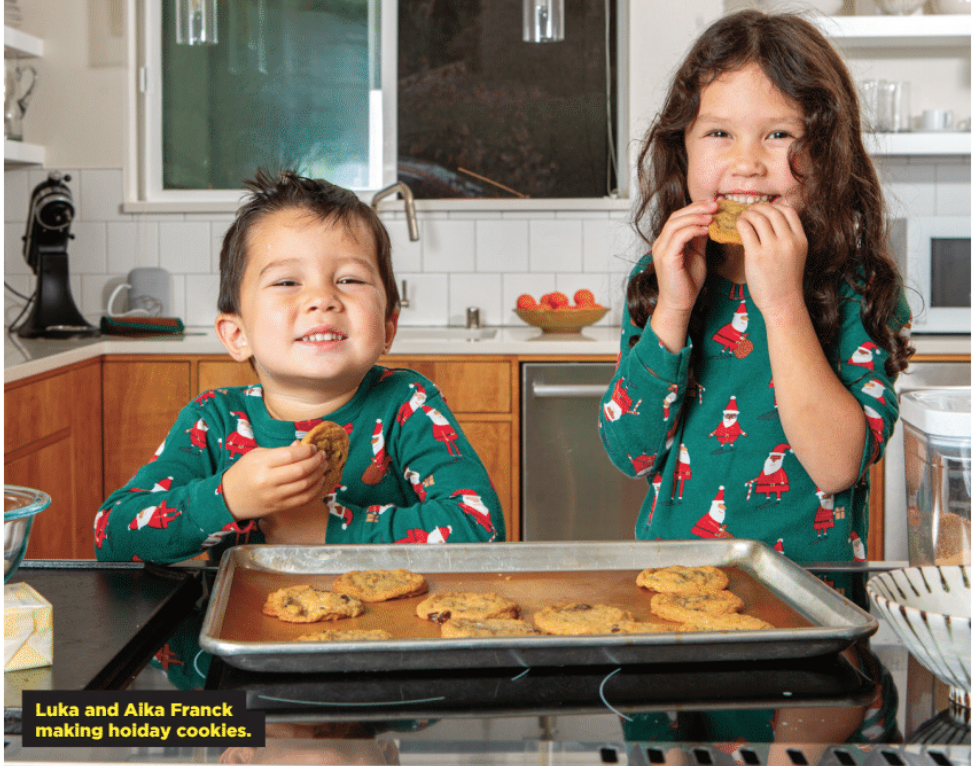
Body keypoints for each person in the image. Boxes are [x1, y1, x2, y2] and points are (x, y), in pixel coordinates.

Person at [599, 10, 913, 563]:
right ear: (684, 149)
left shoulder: (857, 288)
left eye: (779, 134)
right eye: (719, 133)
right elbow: (632, 455)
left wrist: (783, 303)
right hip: (678, 597)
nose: (747, 164)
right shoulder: (662, 282)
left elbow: (839, 465)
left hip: (812, 605)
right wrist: (673, 309)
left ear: (826, 154)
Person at [95, 169, 504, 563]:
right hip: (241, 630)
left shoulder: (407, 405)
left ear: (387, 327)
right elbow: (111, 534)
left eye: (349, 280)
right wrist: (229, 497)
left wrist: (330, 532)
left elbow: (481, 526)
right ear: (238, 335)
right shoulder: (212, 421)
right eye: (288, 282)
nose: (322, 298)